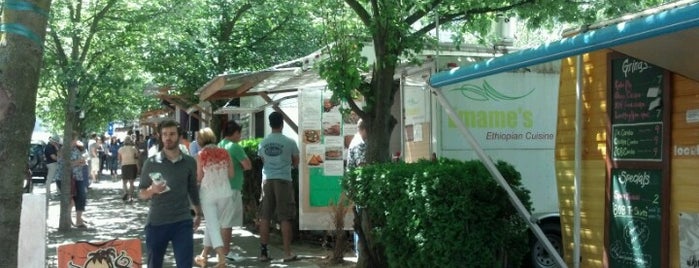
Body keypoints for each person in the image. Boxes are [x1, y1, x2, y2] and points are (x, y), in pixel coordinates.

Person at [138, 120, 202, 268]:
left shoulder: (189, 162)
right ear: (160, 137)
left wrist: (198, 213)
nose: (168, 137)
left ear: (179, 137)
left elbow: (192, 189)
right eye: (165, 134)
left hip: (182, 222)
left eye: (172, 134)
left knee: (185, 265)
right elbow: (141, 193)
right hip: (157, 223)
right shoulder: (151, 162)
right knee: (154, 265)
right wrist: (152, 190)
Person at [257, 112, 299, 262]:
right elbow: (296, 161)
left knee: (265, 216)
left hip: (267, 180)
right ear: (282, 124)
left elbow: (262, 159)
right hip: (284, 180)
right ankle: (287, 253)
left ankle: (263, 253)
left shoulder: (263, 142)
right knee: (285, 217)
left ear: (270, 124)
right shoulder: (290, 142)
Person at [193, 127, 234, 268]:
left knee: (212, 225)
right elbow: (231, 174)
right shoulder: (225, 152)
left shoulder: (200, 154)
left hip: (208, 193)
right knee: (212, 224)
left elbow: (199, 177)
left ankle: (221, 259)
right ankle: (203, 255)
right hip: (225, 192)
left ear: (201, 140)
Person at [218, 120, 252, 260]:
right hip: (232, 188)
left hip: (220, 188)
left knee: (222, 221)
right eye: (239, 133)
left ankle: (222, 251)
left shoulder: (220, 145)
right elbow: (248, 165)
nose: (240, 136)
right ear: (235, 133)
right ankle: (226, 252)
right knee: (228, 222)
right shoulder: (235, 147)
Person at [346, 119, 368, 257]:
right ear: (365, 129)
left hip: (354, 187)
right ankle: (360, 252)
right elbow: (362, 166)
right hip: (359, 188)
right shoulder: (360, 144)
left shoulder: (355, 140)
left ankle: (359, 251)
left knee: (359, 219)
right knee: (362, 220)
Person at [70, 134, 90, 228]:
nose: (76, 140)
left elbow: (81, 161)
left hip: (79, 176)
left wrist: (81, 161)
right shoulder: (64, 150)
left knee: (81, 198)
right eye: (75, 138)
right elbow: (66, 164)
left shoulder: (76, 149)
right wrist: (79, 162)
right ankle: (72, 220)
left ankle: (79, 219)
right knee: (72, 199)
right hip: (72, 178)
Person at [118, 136, 139, 202]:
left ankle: (125, 192)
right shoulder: (133, 149)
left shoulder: (121, 149)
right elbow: (137, 157)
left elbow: (119, 159)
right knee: (131, 182)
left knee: (124, 182)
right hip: (132, 165)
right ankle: (130, 196)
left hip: (124, 165)